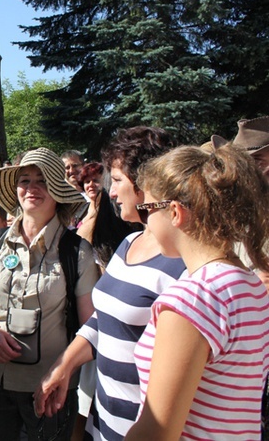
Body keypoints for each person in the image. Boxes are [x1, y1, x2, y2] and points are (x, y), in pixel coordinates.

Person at [34, 127, 184, 441]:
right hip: (103, 424)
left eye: (116, 180)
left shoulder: (183, 262)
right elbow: (104, 319)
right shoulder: (129, 243)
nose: (110, 193)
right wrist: (65, 366)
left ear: (146, 182)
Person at [125, 144, 269, 440]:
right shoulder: (250, 283)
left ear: (175, 212)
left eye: (147, 209)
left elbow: (158, 432)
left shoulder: (192, 299)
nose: (145, 222)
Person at [0, 147, 99, 440]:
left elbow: (92, 329)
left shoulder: (77, 252)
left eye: (43, 180)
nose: (32, 188)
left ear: (58, 191)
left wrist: (62, 371)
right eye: (25, 180)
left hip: (50, 394)